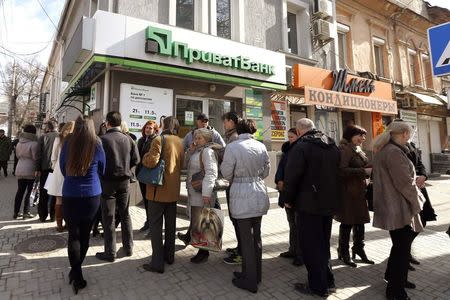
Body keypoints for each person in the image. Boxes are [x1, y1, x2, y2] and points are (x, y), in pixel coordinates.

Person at [284, 118, 340, 298]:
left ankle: (317, 286)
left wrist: (287, 199)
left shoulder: (300, 147)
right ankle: (328, 280)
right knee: (323, 244)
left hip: (308, 205)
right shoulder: (332, 145)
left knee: (310, 246)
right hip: (328, 203)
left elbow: (292, 177)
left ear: (300, 131)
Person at [372, 121, 424, 300]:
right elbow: (405, 183)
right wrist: (418, 202)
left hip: (392, 205)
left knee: (399, 247)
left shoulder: (385, 149)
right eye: (409, 133)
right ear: (403, 134)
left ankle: (395, 279)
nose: (410, 137)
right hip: (398, 206)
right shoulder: (393, 152)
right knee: (402, 250)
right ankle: (395, 291)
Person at [220, 119, 270, 294]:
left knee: (246, 239)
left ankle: (249, 280)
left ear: (238, 129)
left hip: (241, 192)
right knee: (256, 237)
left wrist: (239, 178)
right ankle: (255, 275)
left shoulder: (233, 147)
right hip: (258, 191)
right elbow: (266, 171)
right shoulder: (261, 146)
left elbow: (226, 172)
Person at [60, 116, 105, 294]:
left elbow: (63, 168)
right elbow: (102, 168)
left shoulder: (68, 142)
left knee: (73, 235)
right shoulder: (97, 143)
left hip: (70, 193)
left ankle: (75, 273)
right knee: (84, 235)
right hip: (91, 194)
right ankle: (77, 273)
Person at [141, 116, 184, 274]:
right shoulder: (180, 141)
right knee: (171, 226)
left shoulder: (159, 139)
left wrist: (145, 156)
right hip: (173, 190)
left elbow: (151, 161)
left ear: (165, 125)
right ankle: (169, 256)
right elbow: (182, 163)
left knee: (156, 226)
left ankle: (157, 262)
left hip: (158, 191)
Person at [393, 119, 437, 270]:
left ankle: (406, 252)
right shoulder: (394, 148)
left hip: (419, 187)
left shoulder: (411, 145)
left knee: (423, 219)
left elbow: (420, 164)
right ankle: (403, 254)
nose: (409, 134)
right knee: (407, 226)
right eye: (407, 131)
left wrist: (424, 176)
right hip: (408, 189)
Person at [95, 111, 139, 262]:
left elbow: (97, 164)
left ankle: (110, 252)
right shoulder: (128, 139)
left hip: (107, 183)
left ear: (107, 122)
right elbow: (136, 159)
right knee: (125, 214)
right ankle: (128, 248)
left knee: (109, 218)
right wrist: (126, 168)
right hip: (124, 182)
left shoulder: (102, 140)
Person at [335, 125, 374, 267]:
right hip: (348, 192)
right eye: (359, 135)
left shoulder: (357, 149)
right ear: (350, 135)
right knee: (347, 222)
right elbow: (341, 170)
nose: (363, 138)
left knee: (360, 221)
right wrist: (363, 171)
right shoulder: (345, 149)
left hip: (359, 191)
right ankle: (343, 252)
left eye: (364, 136)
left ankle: (358, 249)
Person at [183, 128, 222, 263]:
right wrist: (190, 151)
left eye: (199, 138)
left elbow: (212, 172)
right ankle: (201, 249)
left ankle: (203, 252)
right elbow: (185, 165)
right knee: (199, 222)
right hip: (195, 192)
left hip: (202, 193)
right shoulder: (198, 151)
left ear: (206, 139)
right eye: (195, 137)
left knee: (204, 223)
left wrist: (207, 193)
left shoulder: (207, 151)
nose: (196, 140)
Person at [275, 127, 303, 266]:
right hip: (285, 191)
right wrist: (279, 180)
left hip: (295, 194)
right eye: (289, 137)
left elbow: (296, 174)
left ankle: (300, 253)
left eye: (292, 137)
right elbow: (281, 167)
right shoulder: (287, 150)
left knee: (298, 225)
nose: (290, 139)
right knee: (291, 223)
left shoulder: (301, 150)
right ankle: (292, 249)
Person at [45, 122, 75, 232]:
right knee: (70, 199)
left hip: (58, 169)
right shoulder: (75, 139)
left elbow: (53, 157)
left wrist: (55, 167)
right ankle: (68, 223)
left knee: (59, 199)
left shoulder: (59, 138)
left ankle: (59, 224)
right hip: (71, 170)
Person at [136, 120, 160, 232]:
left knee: (150, 200)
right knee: (146, 200)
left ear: (155, 130)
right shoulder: (141, 140)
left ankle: (152, 223)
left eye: (150, 128)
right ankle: (148, 221)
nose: (147, 130)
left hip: (150, 174)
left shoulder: (155, 140)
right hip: (141, 174)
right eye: (146, 127)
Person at [13, 124, 38, 219]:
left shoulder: (19, 143)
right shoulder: (34, 144)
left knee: (20, 191)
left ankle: (16, 212)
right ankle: (26, 212)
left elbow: (17, 156)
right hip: (30, 169)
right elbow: (35, 157)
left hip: (19, 168)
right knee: (29, 192)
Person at [36, 120, 59, 222]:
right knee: (55, 192)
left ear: (48, 128)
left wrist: (37, 168)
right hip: (56, 169)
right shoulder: (60, 136)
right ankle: (53, 216)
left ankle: (42, 215)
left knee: (44, 193)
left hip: (45, 169)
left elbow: (38, 155)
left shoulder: (43, 137)